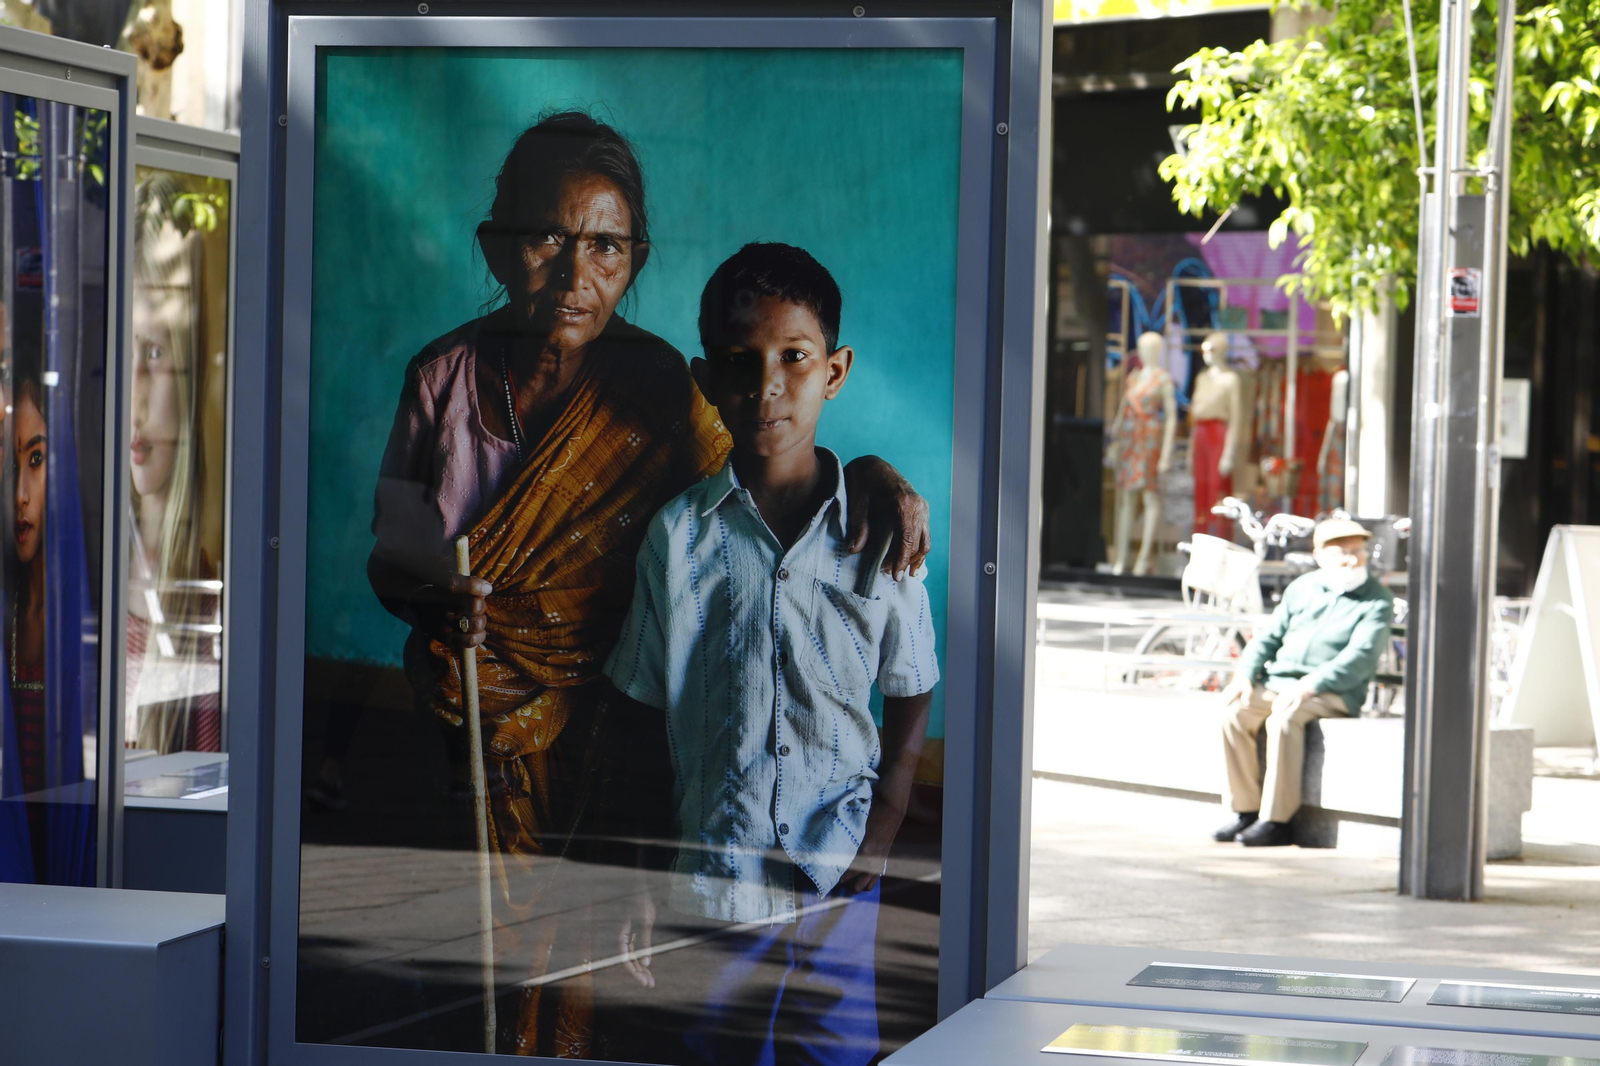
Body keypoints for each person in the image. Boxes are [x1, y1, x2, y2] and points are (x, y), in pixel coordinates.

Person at [365, 113, 930, 1058]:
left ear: (635, 258)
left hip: (620, 760)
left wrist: (869, 470)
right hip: (481, 737)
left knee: (599, 994)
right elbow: (393, 548)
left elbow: (770, 473)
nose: (576, 273)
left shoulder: (664, 386)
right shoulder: (444, 380)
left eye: (607, 247)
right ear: (499, 246)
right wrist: (431, 596)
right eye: (548, 238)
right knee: (463, 992)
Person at [604, 243, 939, 1066]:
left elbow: (912, 681)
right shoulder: (679, 537)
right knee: (718, 1045)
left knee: (836, 1050)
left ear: (835, 369)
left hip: (838, 861)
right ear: (706, 376)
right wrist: (642, 876)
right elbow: (641, 712)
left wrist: (888, 815)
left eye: (794, 357)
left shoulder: (879, 534)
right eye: (740, 363)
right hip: (717, 870)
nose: (768, 386)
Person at [1214, 517, 1393, 847]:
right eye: (1343, 552)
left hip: (1333, 692)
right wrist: (1244, 676)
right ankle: (1245, 810)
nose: (1353, 559)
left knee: (1285, 719)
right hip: (1280, 683)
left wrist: (1310, 685)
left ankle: (1276, 820)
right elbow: (1268, 637)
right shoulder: (1303, 588)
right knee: (1233, 714)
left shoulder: (1377, 600)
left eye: (1359, 551)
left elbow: (1359, 658)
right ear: (1320, 555)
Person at [127, 176, 223, 755]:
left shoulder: (208, 606)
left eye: (157, 354)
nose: (135, 397)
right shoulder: (84, 570)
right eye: (127, 351)